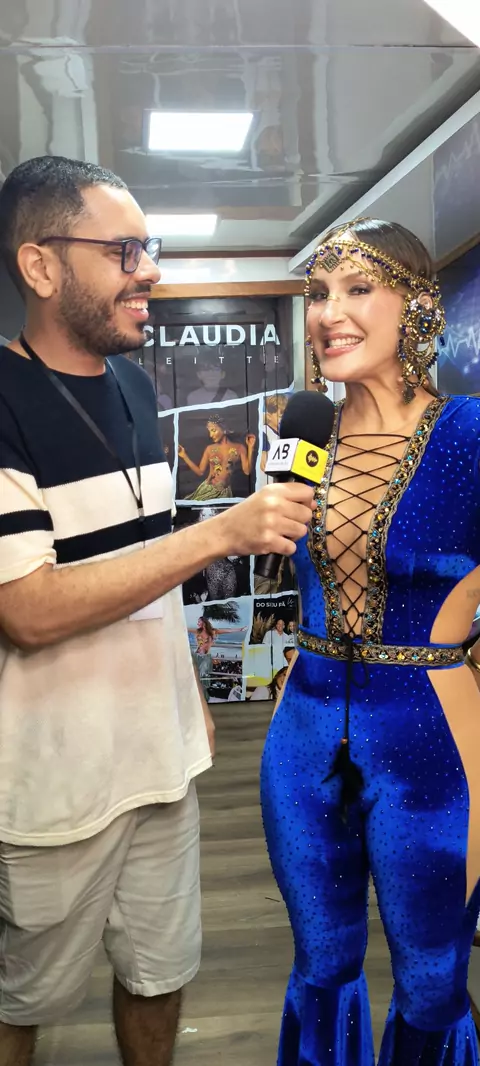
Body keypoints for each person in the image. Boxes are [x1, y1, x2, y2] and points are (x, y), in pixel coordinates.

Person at [0, 155, 315, 1066]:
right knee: (21, 997)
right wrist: (221, 535)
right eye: (123, 250)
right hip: (55, 785)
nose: (150, 272)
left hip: (163, 760)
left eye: (151, 247)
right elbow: (27, 610)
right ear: (41, 266)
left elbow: (145, 570)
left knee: (160, 973)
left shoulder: (136, 388)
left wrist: (186, 694)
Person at [260, 217, 480, 1065]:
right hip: (303, 733)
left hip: (433, 738)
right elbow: (296, 566)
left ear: (417, 306)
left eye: (358, 289)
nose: (329, 313)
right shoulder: (303, 431)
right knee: (319, 967)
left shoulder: (469, 435)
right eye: (318, 293)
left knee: (430, 984)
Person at [178, 414, 256, 501]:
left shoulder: (239, 448)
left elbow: (247, 471)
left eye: (213, 430)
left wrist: (250, 448)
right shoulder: (209, 449)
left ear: (224, 429)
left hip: (225, 492)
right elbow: (200, 472)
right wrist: (184, 456)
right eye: (209, 431)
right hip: (208, 489)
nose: (211, 435)